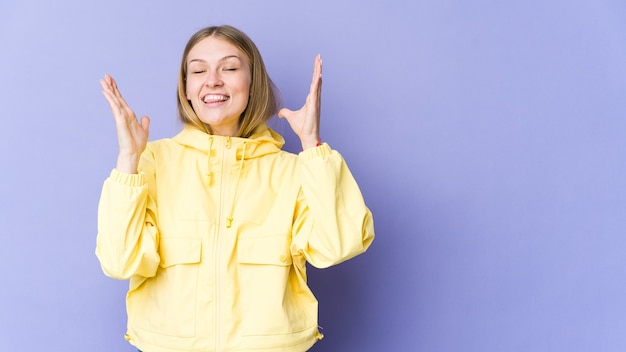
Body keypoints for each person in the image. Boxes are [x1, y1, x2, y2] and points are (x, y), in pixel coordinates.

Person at [95, 24, 374, 352]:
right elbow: (119, 261)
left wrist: (313, 145)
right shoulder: (153, 161)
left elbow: (339, 245)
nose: (212, 79)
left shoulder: (294, 170)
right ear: (186, 89)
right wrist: (128, 158)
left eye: (229, 68)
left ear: (252, 83)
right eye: (198, 70)